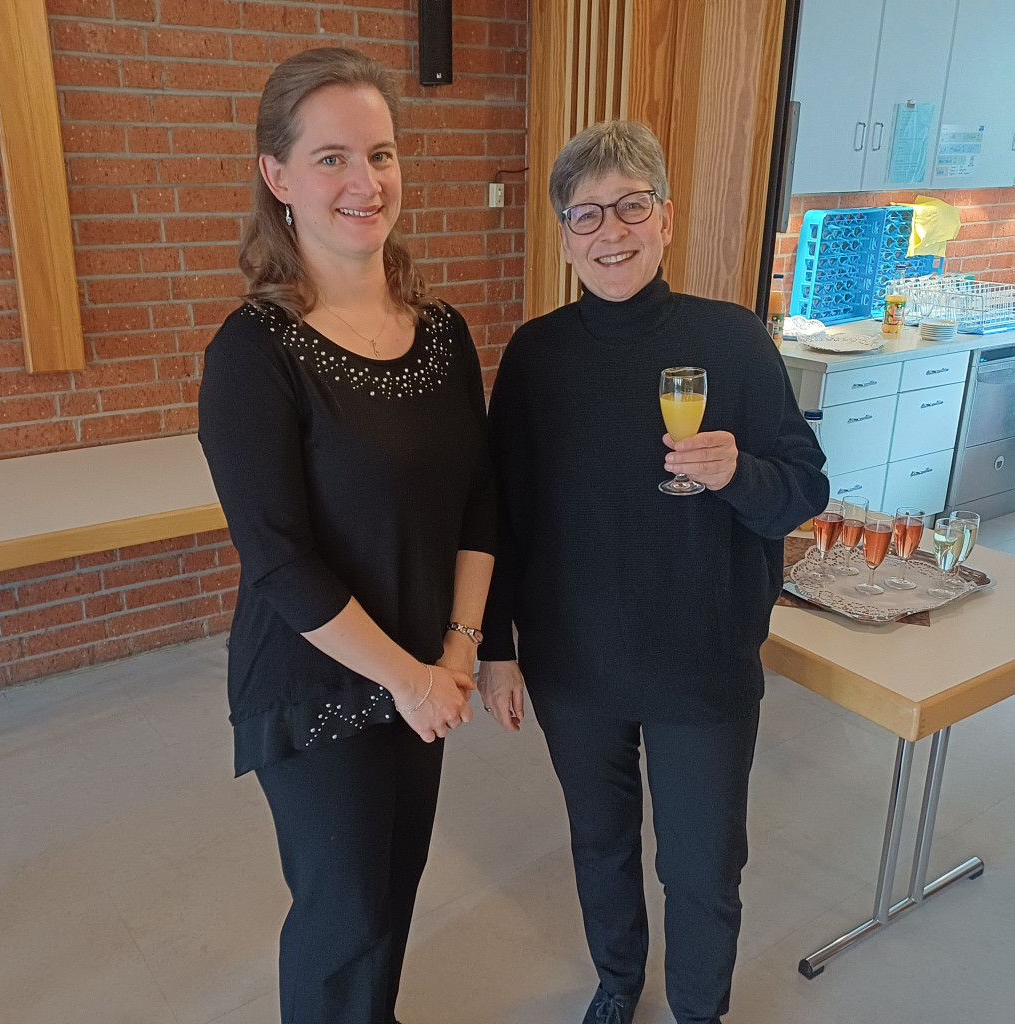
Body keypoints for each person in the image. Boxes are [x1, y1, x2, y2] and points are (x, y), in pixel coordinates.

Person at [477, 120, 828, 1024]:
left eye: (631, 207)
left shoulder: (735, 341)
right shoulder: (536, 356)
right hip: (573, 661)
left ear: (665, 220)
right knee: (599, 843)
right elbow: (498, 515)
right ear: (565, 237)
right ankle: (618, 982)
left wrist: (736, 471)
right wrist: (496, 647)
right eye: (586, 214)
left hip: (701, 658)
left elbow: (802, 491)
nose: (611, 231)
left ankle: (697, 1009)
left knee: (703, 865)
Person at [197, 47, 494, 1024]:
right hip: (315, 679)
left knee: (395, 890)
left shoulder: (444, 333)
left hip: (426, 668)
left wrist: (457, 652)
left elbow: (479, 501)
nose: (365, 182)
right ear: (277, 177)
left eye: (380, 154)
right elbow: (278, 559)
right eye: (331, 158)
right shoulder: (253, 353)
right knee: (345, 915)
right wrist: (409, 678)